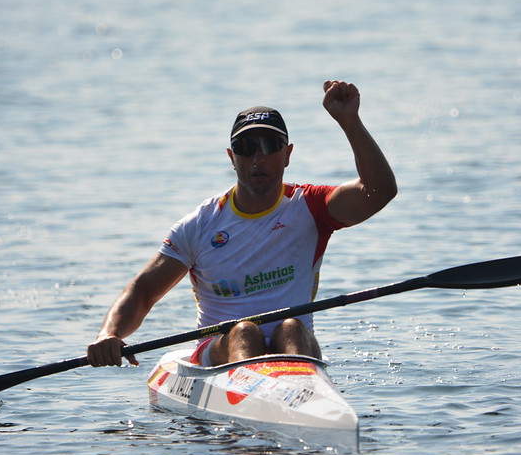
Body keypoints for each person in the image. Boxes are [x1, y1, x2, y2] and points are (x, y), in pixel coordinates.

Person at [86, 80, 397, 368]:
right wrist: (108, 333)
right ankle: (257, 399)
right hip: (220, 353)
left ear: (287, 155)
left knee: (291, 327)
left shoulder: (311, 207)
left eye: (270, 145)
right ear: (231, 157)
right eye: (247, 149)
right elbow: (143, 291)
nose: (258, 159)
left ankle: (294, 393)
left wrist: (349, 121)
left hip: (294, 347)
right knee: (243, 331)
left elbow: (380, 191)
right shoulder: (200, 224)